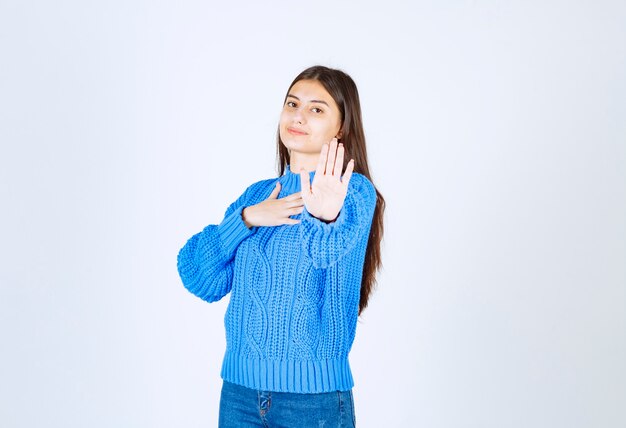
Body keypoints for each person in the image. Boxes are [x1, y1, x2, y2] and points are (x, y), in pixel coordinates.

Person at [177, 65, 385, 427]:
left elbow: (324, 254)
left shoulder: (354, 193)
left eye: (316, 109)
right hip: (239, 394)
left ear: (342, 127)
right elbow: (199, 277)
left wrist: (321, 216)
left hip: (312, 401)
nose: (298, 116)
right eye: (292, 104)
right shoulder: (256, 196)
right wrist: (244, 220)